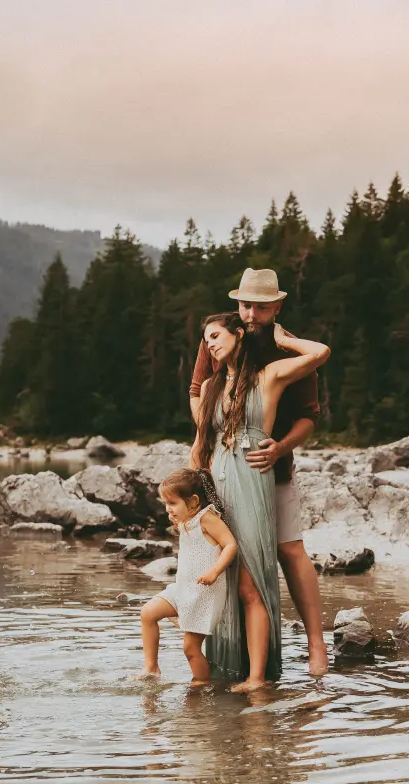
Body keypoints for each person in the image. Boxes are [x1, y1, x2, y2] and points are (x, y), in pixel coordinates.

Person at [190, 267, 330, 677]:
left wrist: (280, 447)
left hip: (273, 467)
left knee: (288, 549)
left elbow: (309, 417)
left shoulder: (285, 355)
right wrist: (205, 439)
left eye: (261, 307)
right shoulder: (218, 338)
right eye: (245, 305)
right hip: (223, 468)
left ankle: (315, 644)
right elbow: (198, 391)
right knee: (224, 559)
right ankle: (229, 657)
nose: (251, 314)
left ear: (277, 307)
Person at [139, 468, 239, 684]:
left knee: (190, 649)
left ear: (193, 502)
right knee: (148, 613)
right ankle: (152, 667)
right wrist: (178, 521)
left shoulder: (207, 519)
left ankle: (201, 686)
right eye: (165, 504)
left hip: (203, 595)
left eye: (173, 504)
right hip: (183, 589)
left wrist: (215, 570)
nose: (168, 509)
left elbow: (230, 544)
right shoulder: (187, 520)